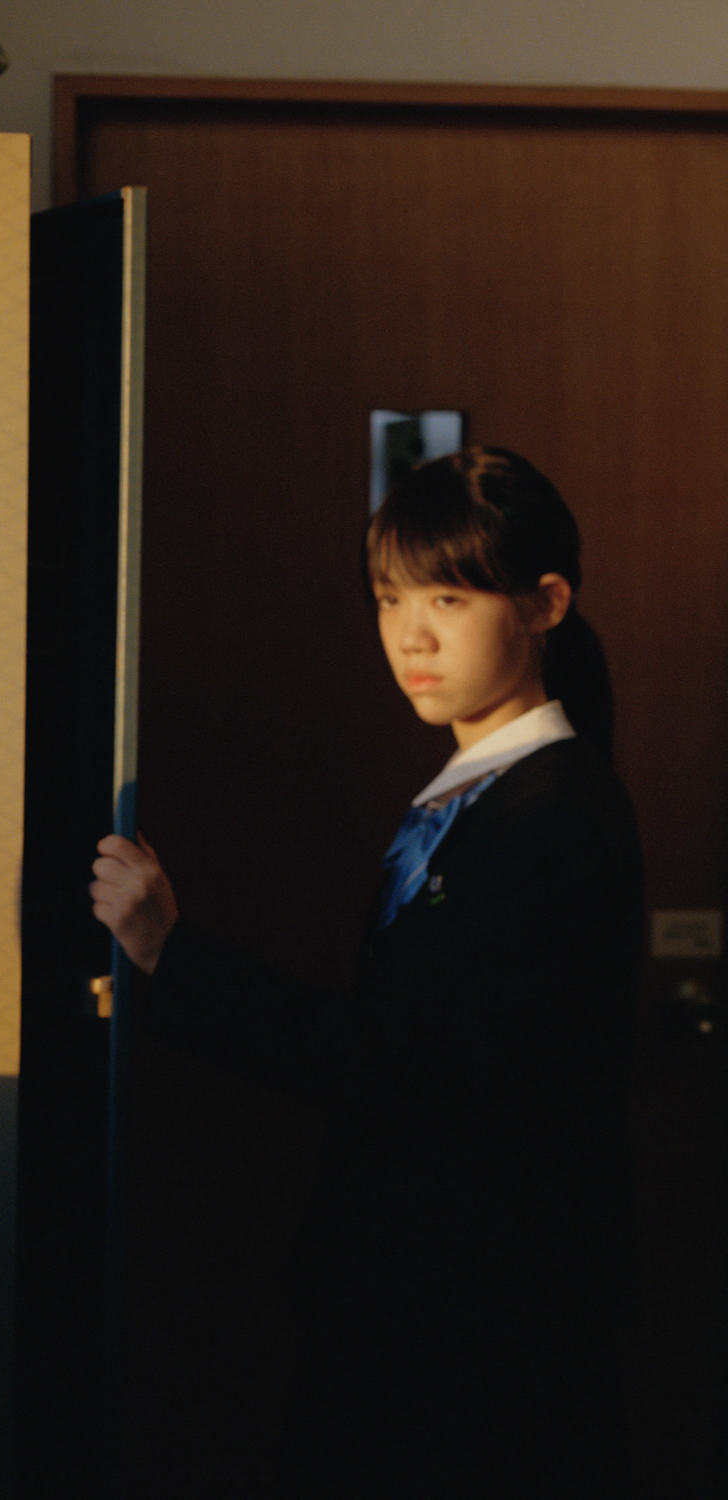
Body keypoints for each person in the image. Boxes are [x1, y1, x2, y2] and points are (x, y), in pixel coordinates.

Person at [90, 447, 641, 1498]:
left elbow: (409, 1069)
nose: (410, 633)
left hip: (481, 1313)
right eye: (390, 597)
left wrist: (174, 952)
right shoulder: (474, 791)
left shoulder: (556, 812)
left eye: (448, 595)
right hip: (419, 1290)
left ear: (543, 604)